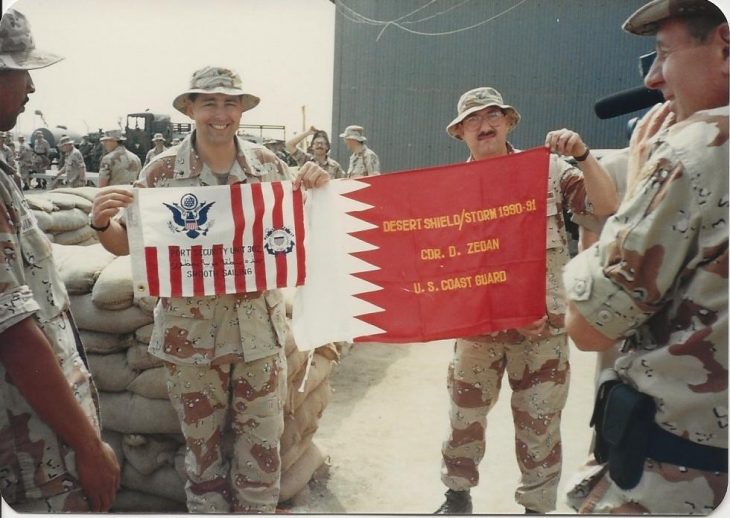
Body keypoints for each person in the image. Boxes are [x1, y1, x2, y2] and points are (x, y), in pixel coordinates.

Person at [90, 65, 329, 513]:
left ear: (241, 110)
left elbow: (300, 222)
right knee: (203, 460)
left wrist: (317, 186)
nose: (221, 113)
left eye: (230, 103)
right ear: (190, 109)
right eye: (209, 103)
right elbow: (131, 245)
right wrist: (101, 221)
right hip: (191, 340)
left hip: (259, 337)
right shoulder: (161, 174)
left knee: (261, 454)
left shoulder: (269, 165)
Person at [562, 0, 728, 513]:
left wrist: (635, 188)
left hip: (673, 479)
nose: (654, 79)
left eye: (662, 53)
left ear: (725, 47)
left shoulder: (694, 151)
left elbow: (588, 328)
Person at [434, 86, 619, 514]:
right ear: (460, 132)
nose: (485, 125)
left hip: (543, 334)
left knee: (540, 429)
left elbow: (606, 205)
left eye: (494, 115)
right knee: (464, 420)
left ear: (509, 122)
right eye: (474, 120)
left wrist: (584, 156)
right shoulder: (450, 190)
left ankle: (536, 508)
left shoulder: (550, 172)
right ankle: (456, 498)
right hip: (478, 334)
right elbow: (442, 268)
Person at [0, 8, 120, 512]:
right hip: (39, 444)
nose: (31, 88)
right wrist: (88, 447)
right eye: (20, 72)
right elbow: (14, 331)